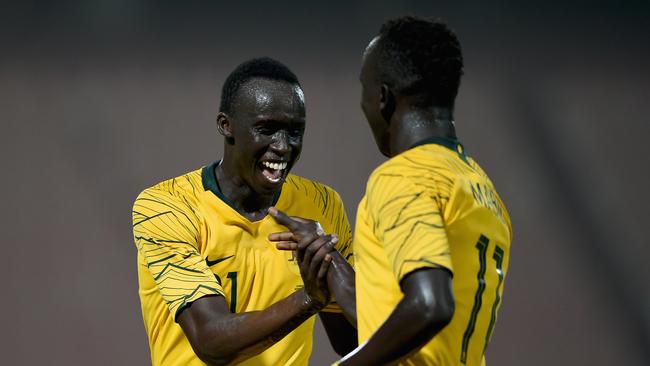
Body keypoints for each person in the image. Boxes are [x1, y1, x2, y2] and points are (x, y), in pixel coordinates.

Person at [271, 16, 512, 365]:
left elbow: (430, 306)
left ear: (382, 97)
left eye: (364, 88)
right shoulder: (480, 189)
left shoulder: (404, 178)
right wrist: (329, 258)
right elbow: (391, 322)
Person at [131, 57, 356, 366]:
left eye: (294, 132)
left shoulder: (323, 205)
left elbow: (351, 341)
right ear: (227, 126)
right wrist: (309, 298)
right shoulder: (165, 207)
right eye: (266, 129)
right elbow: (212, 342)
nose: (283, 147)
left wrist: (335, 267)